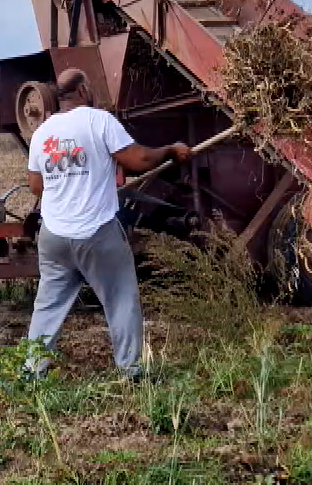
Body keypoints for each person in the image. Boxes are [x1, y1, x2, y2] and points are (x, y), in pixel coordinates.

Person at [23, 68, 192, 381]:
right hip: (95, 233)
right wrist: (170, 150)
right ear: (84, 90)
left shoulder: (43, 132)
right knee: (121, 297)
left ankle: (33, 371)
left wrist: (69, 178)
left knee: (47, 305)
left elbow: (36, 185)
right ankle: (131, 371)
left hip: (53, 236)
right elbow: (138, 160)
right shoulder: (98, 121)